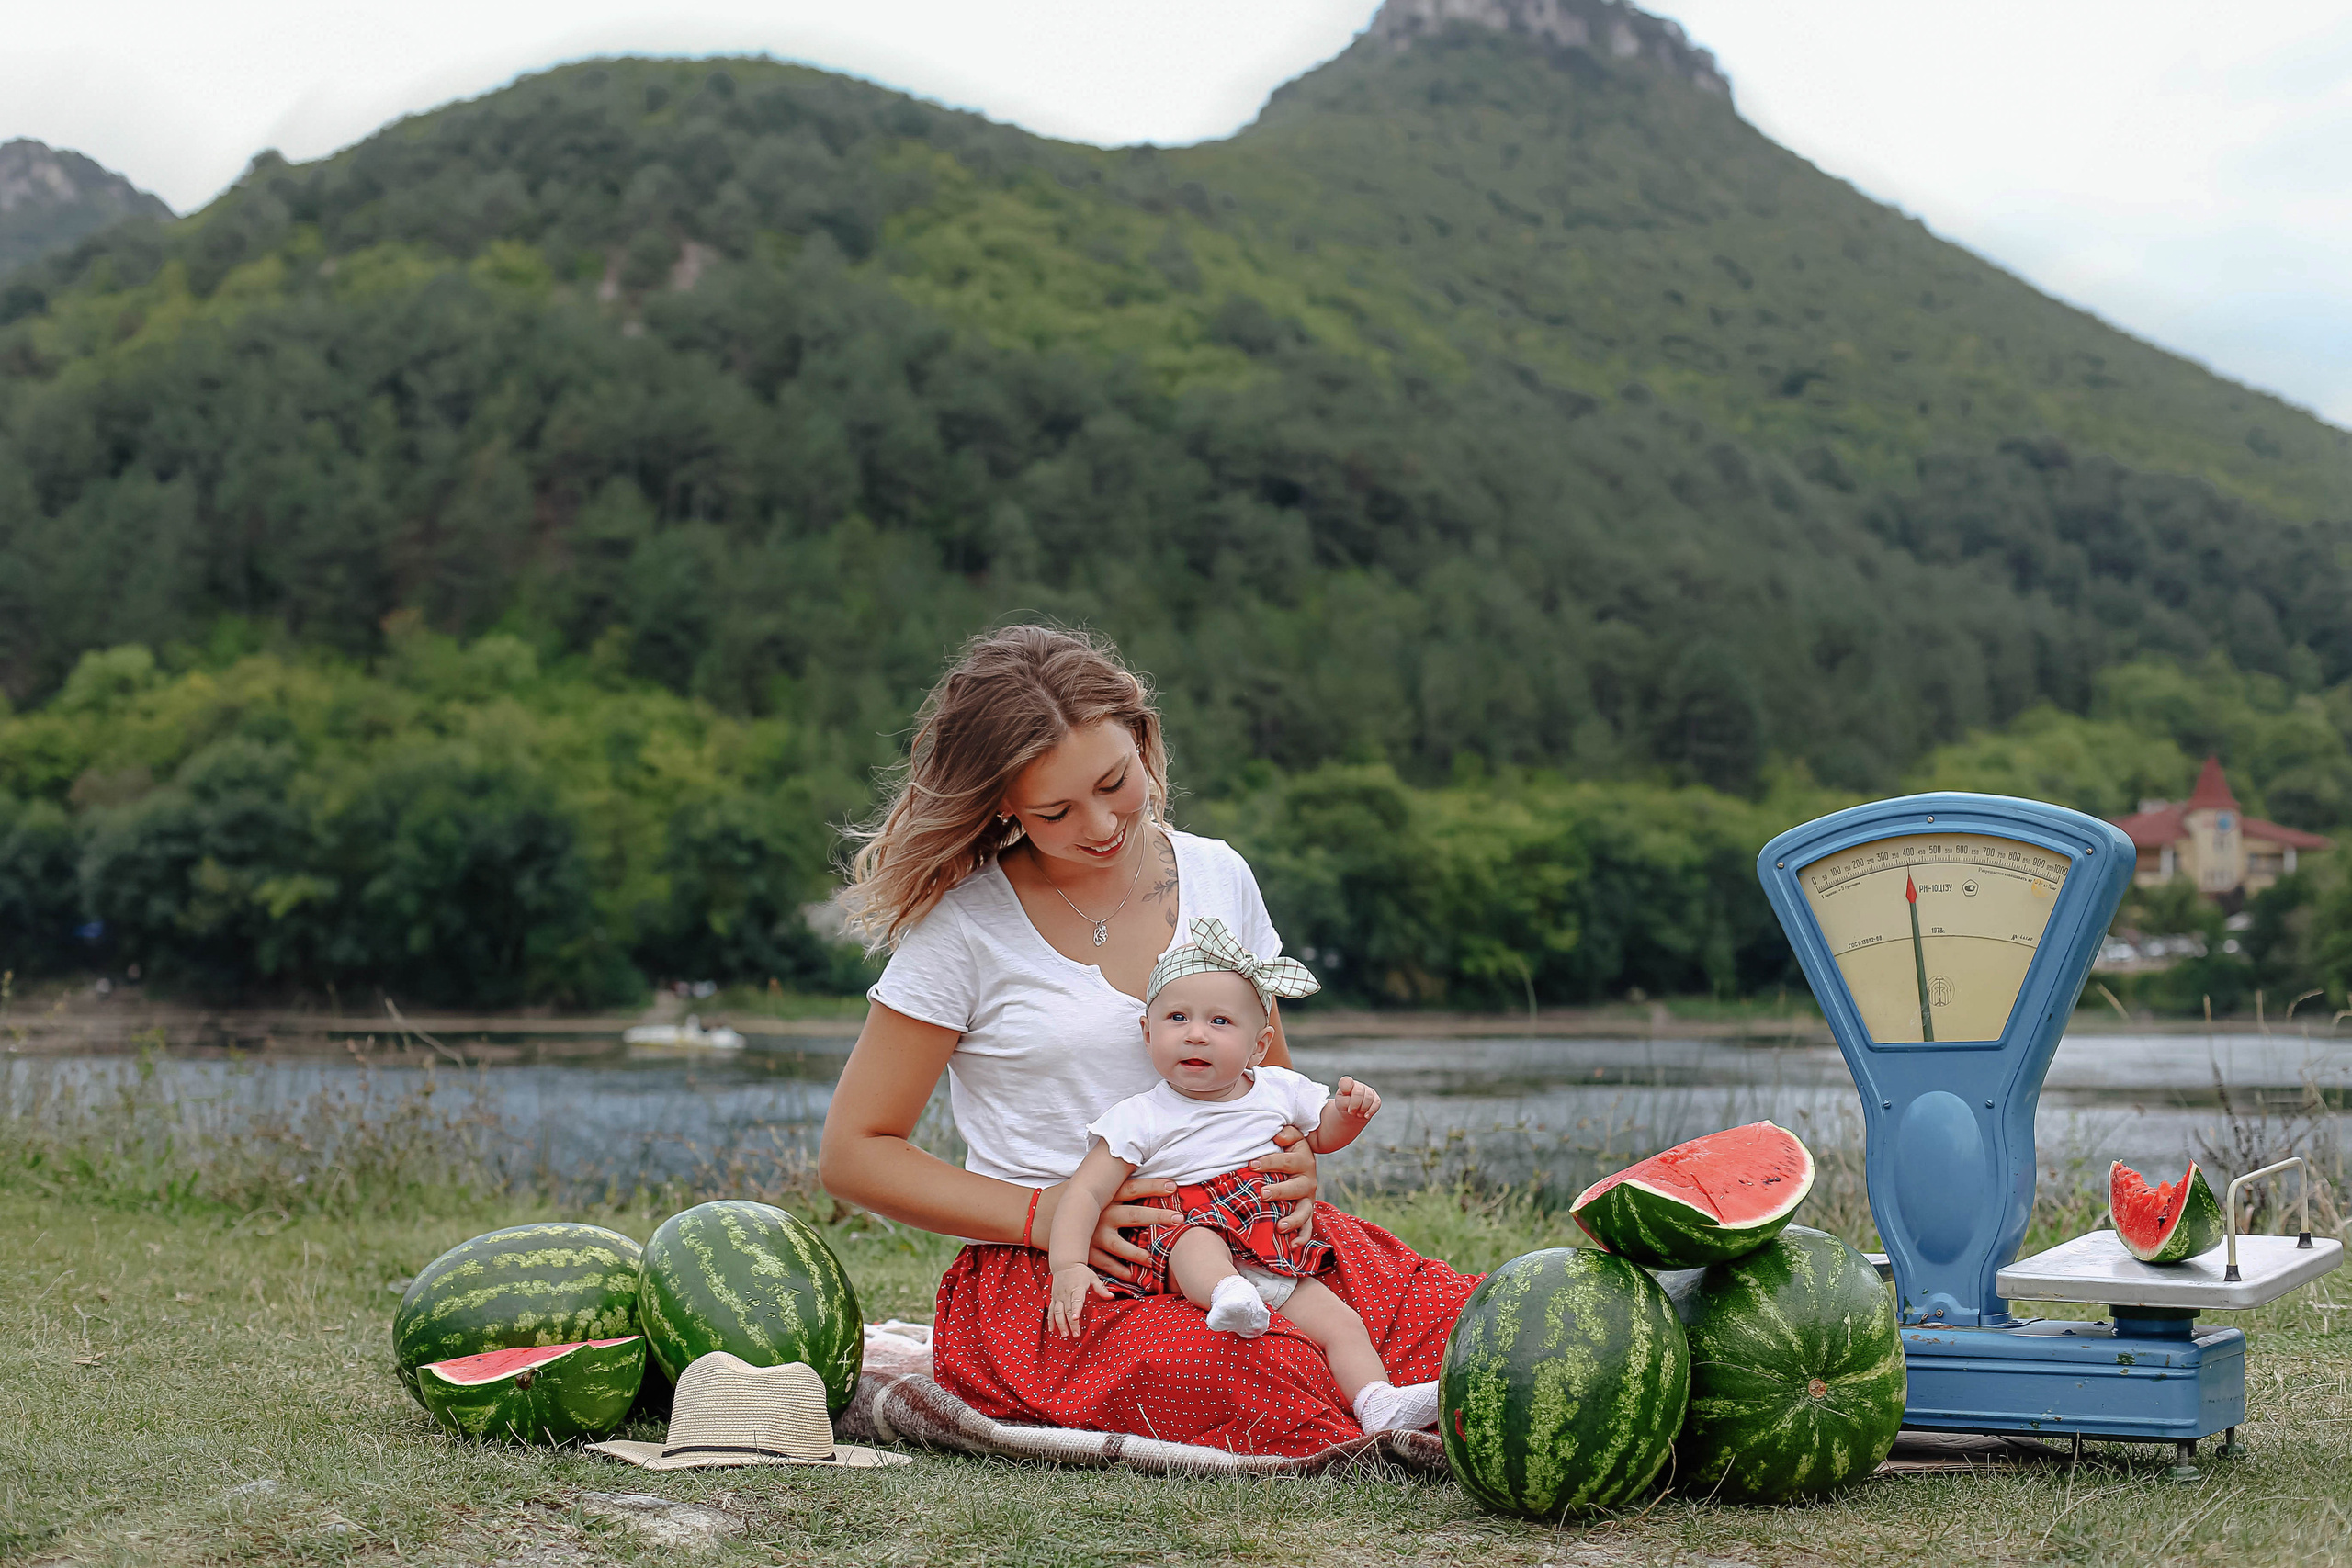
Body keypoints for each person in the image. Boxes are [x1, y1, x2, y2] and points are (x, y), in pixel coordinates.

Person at [817, 624, 1481, 1457]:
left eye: (1114, 782)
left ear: (1140, 736)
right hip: (1063, 1274)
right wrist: (1046, 1213)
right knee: (1266, 1379)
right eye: (1055, 810)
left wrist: (1298, 1159)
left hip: (1255, 1239)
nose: (1100, 824)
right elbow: (853, 1151)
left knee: (1472, 1331)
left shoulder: (1217, 873)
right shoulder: (963, 929)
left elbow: (1268, 1078)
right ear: (1002, 806)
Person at [1044, 916, 1442, 1436]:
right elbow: (1087, 1191)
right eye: (1178, 1018)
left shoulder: (1278, 1089)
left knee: (1342, 1322)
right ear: (1148, 1032)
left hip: (1268, 1246)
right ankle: (1228, 1295)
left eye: (1220, 1023)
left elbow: (1320, 1137)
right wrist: (1068, 1264)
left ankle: (1376, 1403)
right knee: (1197, 1242)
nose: (1195, 1034)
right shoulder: (1140, 1115)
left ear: (1259, 1045)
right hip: (1186, 1236)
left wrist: (1349, 1114)